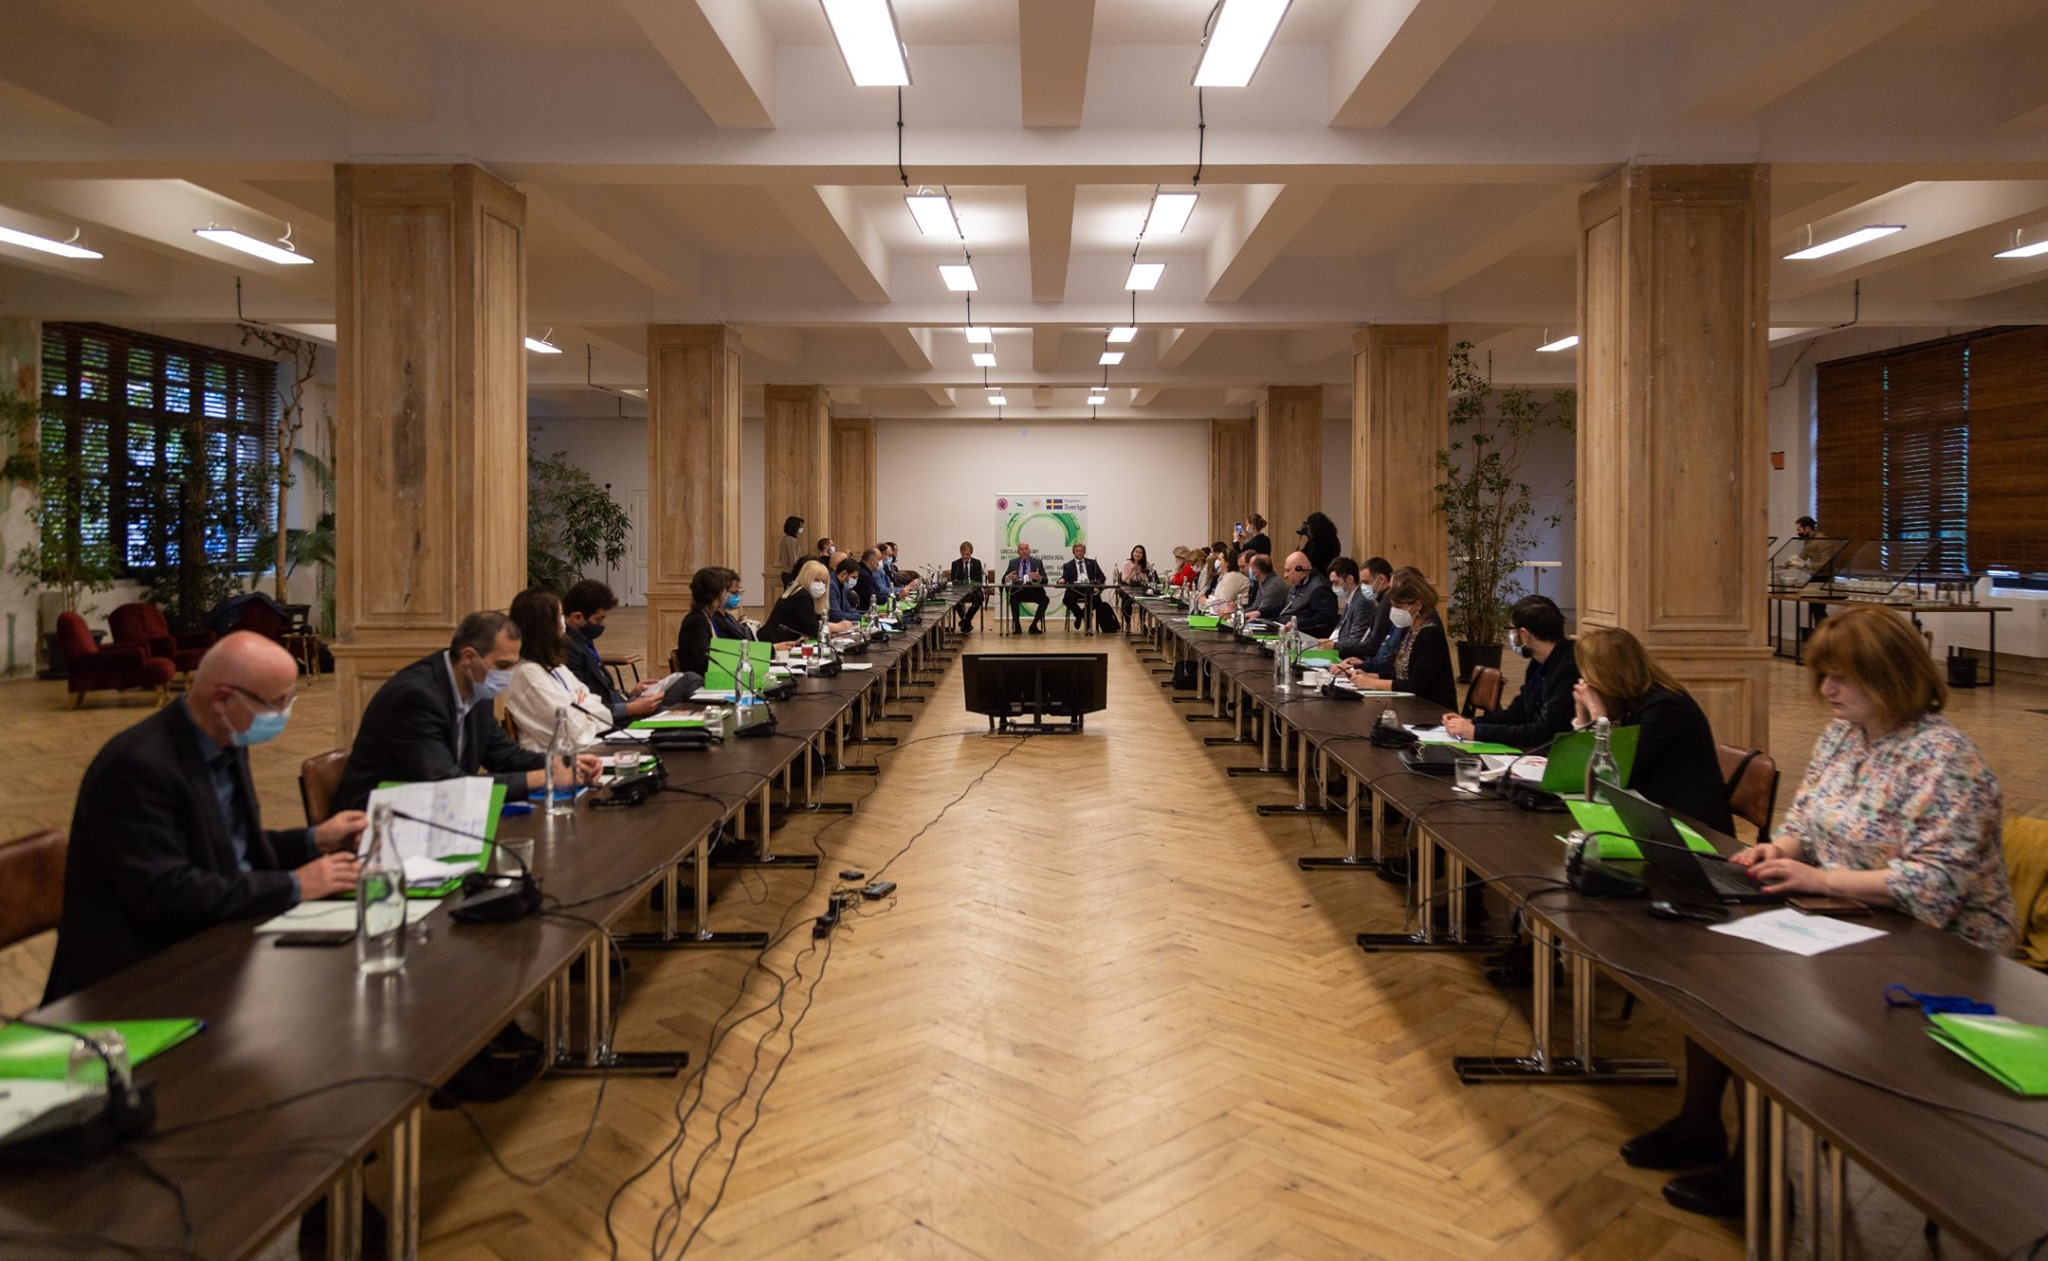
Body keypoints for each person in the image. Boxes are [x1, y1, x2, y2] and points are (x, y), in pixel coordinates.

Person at [1623, 605, 2013, 1219]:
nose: (1826, 690)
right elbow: (1806, 820)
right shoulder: (1843, 736)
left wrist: (1820, 877)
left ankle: (1759, 1177)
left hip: (1940, 952)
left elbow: (1935, 885)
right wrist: (1780, 849)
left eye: (1841, 677)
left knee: (1764, 1004)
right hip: (1849, 918)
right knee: (1712, 973)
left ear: (1892, 676)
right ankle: (1700, 1126)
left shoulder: (1945, 761)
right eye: (1823, 675)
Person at [43, 633, 369, 1002]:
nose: (284, 714)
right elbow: (167, 895)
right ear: (222, 699)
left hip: (220, 937)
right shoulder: (137, 767)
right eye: (277, 703)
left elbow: (227, 850)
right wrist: (295, 884)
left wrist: (314, 840)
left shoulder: (227, 739)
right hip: (137, 977)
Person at [333, 612, 598, 815]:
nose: (508, 675)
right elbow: (446, 785)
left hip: (435, 816)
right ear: (469, 657)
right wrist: (544, 778)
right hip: (375, 825)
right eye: (502, 666)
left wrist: (561, 764)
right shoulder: (415, 697)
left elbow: (504, 756)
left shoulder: (476, 687)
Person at [1570, 628, 1733, 833]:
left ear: (1607, 675)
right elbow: (1583, 768)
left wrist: (1597, 714)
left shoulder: (1666, 706)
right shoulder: (1631, 701)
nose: (1585, 682)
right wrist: (1582, 716)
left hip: (1692, 826)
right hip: (1653, 813)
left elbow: (1615, 773)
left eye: (1588, 674)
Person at [1442, 595, 1578, 748]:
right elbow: (1518, 712)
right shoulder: (1538, 662)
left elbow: (1544, 733)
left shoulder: (1570, 668)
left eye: (1513, 631)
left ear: (1524, 634)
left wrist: (1477, 732)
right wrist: (1471, 722)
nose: (1511, 637)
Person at [504, 586, 614, 753]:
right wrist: (581, 704)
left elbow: (603, 713)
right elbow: (572, 732)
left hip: (586, 749)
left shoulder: (556, 667)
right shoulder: (528, 673)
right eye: (560, 615)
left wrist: (580, 706)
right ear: (544, 624)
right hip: (553, 760)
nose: (564, 622)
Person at [1337, 572, 1456, 711]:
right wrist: (1370, 675)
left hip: (1432, 710)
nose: (1394, 611)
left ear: (1417, 605)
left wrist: (1374, 683)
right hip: (1410, 703)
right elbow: (1401, 672)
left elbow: (1418, 685)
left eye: (1399, 607)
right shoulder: (1410, 629)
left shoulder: (1430, 634)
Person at [561, 579, 666, 727]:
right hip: (608, 723)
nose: (602, 625)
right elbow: (581, 707)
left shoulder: (584, 640)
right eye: (599, 620)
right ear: (577, 617)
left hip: (619, 708)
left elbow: (604, 691)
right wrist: (631, 708)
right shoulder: (569, 649)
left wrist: (631, 693)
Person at [675, 566, 748, 677]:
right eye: (723, 591)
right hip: (701, 681)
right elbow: (704, 661)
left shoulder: (708, 617)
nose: (725, 595)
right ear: (714, 595)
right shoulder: (696, 622)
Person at [765, 559, 850, 643]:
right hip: (775, 643)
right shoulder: (801, 597)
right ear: (806, 578)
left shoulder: (797, 592)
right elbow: (813, 630)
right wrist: (839, 627)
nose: (821, 585)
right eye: (817, 580)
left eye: (824, 582)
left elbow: (813, 622)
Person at [1331, 556, 1395, 660]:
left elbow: (1373, 645)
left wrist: (1335, 646)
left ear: (1382, 580)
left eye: (1366, 582)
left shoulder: (1385, 604)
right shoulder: (1382, 602)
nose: (1362, 587)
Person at [1274, 551, 1340, 637]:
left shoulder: (1319, 588)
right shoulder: (1298, 583)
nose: (1285, 575)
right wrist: (1261, 612)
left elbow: (1325, 619)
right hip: (1288, 632)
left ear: (1299, 569)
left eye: (1288, 570)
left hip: (1306, 637)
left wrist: (1297, 625)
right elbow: (1286, 607)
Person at [1323, 558, 1373, 648]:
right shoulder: (1352, 598)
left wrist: (1333, 645)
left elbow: (1356, 640)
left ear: (1350, 579)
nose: (1333, 587)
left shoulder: (1361, 602)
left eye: (1336, 583)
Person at [1004, 542, 1051, 634]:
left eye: (1026, 548)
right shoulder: (1013, 563)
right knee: (1013, 599)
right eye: (1022, 549)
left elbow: (1045, 580)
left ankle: (1034, 625)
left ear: (1029, 550)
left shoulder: (1038, 562)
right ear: (1018, 552)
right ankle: (1017, 625)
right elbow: (1004, 579)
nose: (1024, 551)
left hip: (1034, 591)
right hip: (1018, 590)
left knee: (1045, 600)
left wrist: (1039, 578)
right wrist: (1008, 577)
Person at [1061, 542, 1107, 630]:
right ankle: (1079, 615)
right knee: (1067, 599)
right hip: (1075, 589)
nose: (1080, 553)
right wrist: (1061, 580)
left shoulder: (1092, 563)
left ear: (1084, 552)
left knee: (1096, 600)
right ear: (1073, 552)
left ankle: (1084, 618)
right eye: (1077, 551)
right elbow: (1064, 577)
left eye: (1082, 551)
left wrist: (1097, 586)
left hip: (1090, 589)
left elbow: (1102, 577)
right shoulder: (1068, 565)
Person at [951, 541, 986, 632]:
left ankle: (965, 620)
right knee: (956, 600)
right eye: (963, 554)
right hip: (960, 590)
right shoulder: (955, 564)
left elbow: (979, 581)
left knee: (979, 598)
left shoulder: (977, 563)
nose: (965, 557)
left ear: (971, 552)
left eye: (967, 554)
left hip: (974, 590)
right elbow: (954, 581)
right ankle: (966, 623)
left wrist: (972, 588)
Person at [1208, 550, 1254, 615]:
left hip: (1240, 613)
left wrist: (1206, 602)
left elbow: (1223, 602)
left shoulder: (1233, 576)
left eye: (1220, 559)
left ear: (1227, 562)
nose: (1217, 562)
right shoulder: (1224, 575)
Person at [1245, 554, 1288, 622]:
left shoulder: (1274, 586)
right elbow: (1255, 607)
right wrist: (1236, 613)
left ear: (1256, 572)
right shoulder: (1262, 582)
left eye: (1250, 568)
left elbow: (1262, 612)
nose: (1248, 570)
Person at [1117, 545, 1154, 620]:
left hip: (1140, 588)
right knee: (1127, 600)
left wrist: (1138, 571)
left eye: (1140, 553)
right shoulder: (1127, 563)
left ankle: (1142, 622)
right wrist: (1131, 570)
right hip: (1128, 587)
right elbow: (1125, 580)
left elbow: (1146, 580)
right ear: (1132, 552)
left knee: (1145, 599)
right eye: (1136, 552)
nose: (1137, 554)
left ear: (1143, 555)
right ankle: (1128, 622)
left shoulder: (1146, 564)